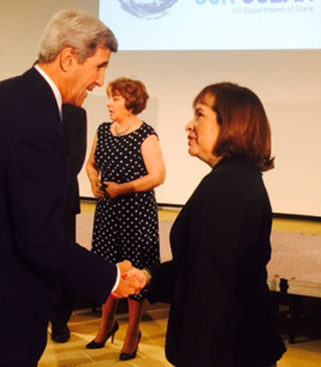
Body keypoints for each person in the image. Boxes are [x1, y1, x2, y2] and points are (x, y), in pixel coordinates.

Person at [0, 10, 130, 367]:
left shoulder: (7, 93)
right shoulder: (38, 121)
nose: (100, 81)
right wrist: (112, 276)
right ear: (68, 58)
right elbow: (41, 240)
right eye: (99, 66)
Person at [120, 82, 287, 367]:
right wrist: (147, 277)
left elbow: (212, 292)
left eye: (200, 114)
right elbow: (198, 265)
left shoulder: (227, 185)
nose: (189, 125)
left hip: (226, 350)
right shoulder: (236, 179)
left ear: (231, 124)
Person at [84, 77, 165, 360]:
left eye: (115, 98)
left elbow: (158, 175)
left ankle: (132, 332)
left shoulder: (146, 134)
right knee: (107, 268)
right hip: (108, 212)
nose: (108, 103)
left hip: (136, 212)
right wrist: (95, 182)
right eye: (109, 97)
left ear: (130, 104)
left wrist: (124, 188)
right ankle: (106, 324)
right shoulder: (104, 131)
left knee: (134, 272)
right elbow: (91, 164)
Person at [50, 103, 88, 343]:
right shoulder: (30, 105)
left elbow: (74, 160)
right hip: (27, 197)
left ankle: (60, 320)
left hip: (62, 197)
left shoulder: (75, 113)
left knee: (62, 257)